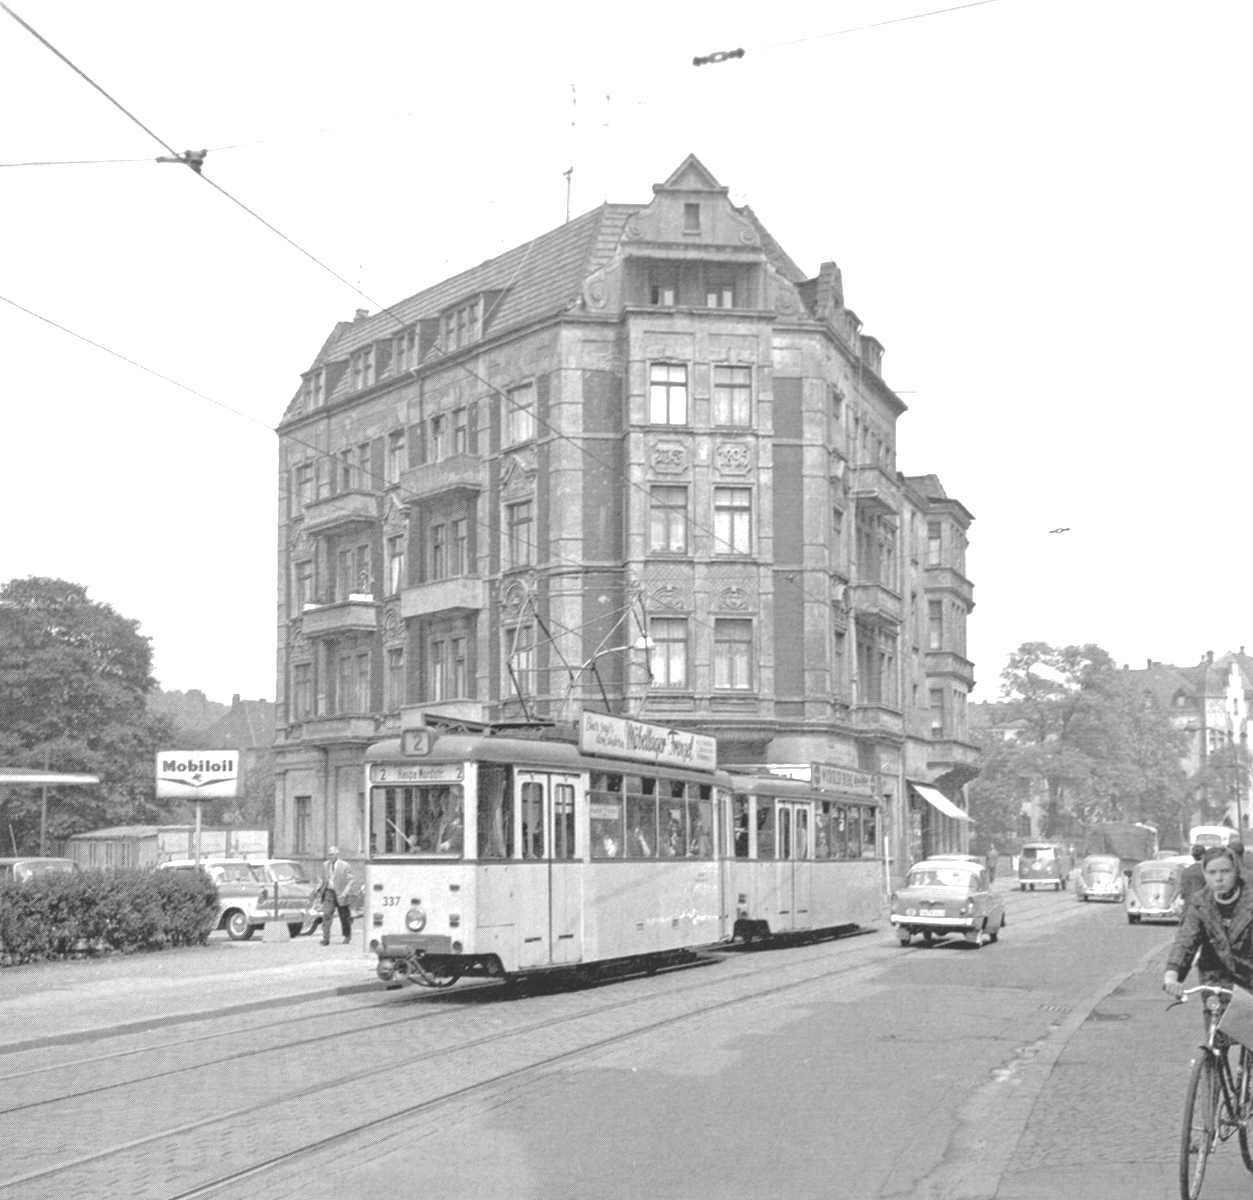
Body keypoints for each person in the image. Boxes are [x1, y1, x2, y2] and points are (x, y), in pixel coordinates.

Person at [1163, 845, 1253, 1001]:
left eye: (1225, 871)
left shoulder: (1249, 899)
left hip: (1249, 979)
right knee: (1214, 1021)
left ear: (1236, 871)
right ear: (1204, 874)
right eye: (1212, 872)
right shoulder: (1200, 902)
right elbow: (1186, 940)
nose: (1219, 878)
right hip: (1215, 982)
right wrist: (1172, 974)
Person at [317, 846, 354, 945]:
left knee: (344, 917)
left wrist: (345, 892)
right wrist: (318, 889)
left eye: (332, 854)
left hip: (341, 893)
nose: (330, 856)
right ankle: (326, 938)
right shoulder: (325, 865)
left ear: (337, 854)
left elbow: (350, 880)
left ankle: (347, 936)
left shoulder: (345, 865)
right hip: (329, 892)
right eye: (329, 854)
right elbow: (322, 879)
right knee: (327, 914)